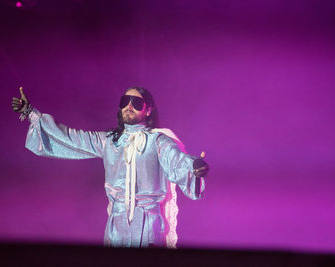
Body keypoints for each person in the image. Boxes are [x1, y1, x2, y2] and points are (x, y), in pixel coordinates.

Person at [11, 86, 209, 248]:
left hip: (148, 225)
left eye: (136, 103)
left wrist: (194, 167)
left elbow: (177, 161)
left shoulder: (159, 141)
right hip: (116, 225)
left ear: (148, 110)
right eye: (125, 102)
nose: (129, 106)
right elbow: (69, 137)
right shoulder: (108, 141)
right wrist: (31, 114)